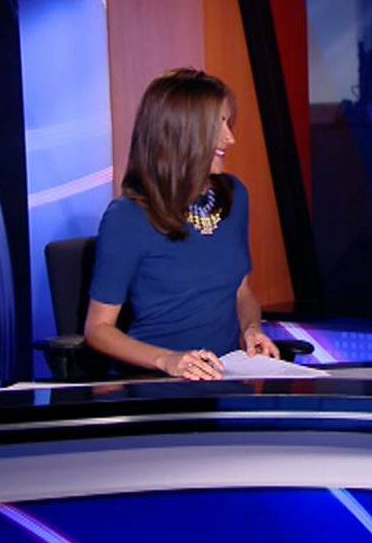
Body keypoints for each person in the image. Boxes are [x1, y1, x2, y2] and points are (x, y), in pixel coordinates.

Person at [84, 68, 279, 381]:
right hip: (157, 383)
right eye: (216, 125)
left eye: (227, 122)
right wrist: (167, 360)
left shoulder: (234, 196)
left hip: (224, 379)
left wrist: (251, 328)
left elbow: (241, 292)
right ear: (179, 133)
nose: (230, 137)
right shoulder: (128, 217)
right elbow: (98, 329)